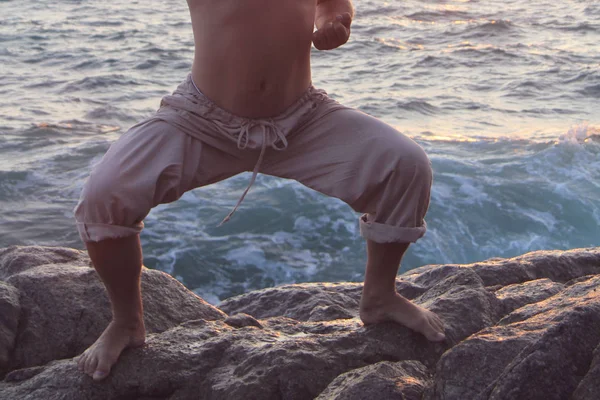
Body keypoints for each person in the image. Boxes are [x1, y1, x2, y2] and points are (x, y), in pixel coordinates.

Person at [74, 0, 446, 382]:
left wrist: (336, 19)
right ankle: (127, 322)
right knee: (104, 198)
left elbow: (332, 2)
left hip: (301, 118)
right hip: (201, 119)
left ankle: (380, 297)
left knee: (405, 165)